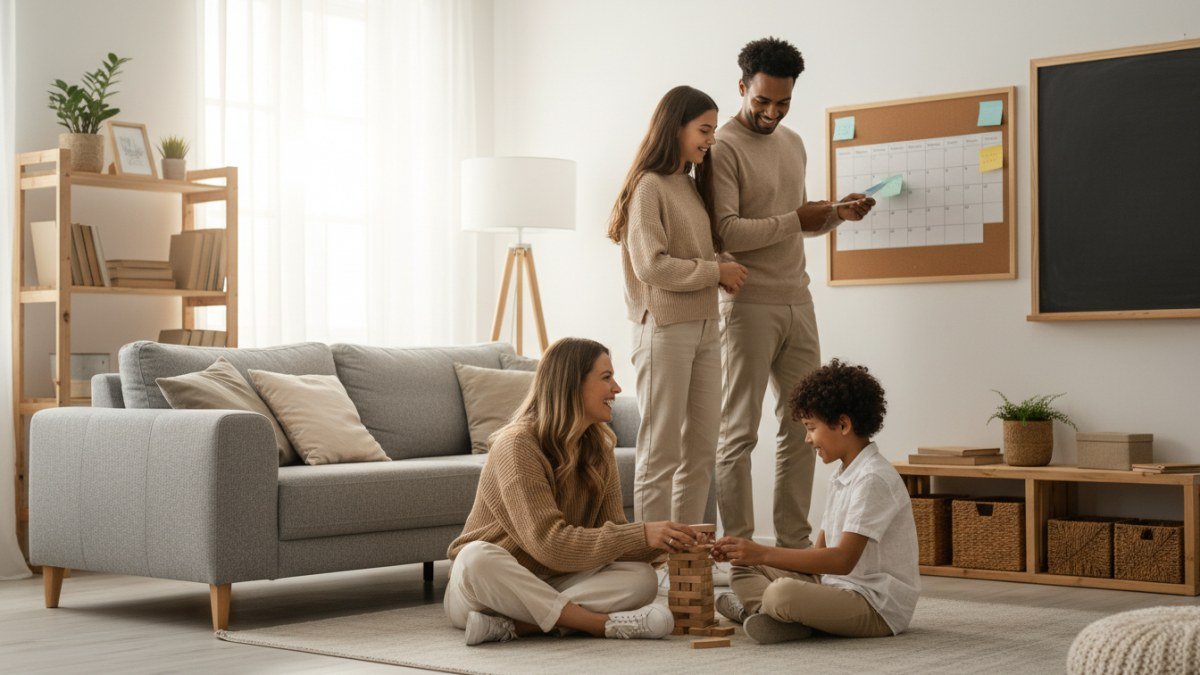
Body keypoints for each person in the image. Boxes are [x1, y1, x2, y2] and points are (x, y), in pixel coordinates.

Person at [711, 36, 874, 552]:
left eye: (783, 103)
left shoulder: (795, 142)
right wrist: (796, 218)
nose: (772, 113)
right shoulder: (722, 147)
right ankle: (740, 552)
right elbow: (727, 231)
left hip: (797, 300)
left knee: (808, 429)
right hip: (747, 305)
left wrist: (833, 215)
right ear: (742, 87)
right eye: (762, 101)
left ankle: (793, 552)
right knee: (739, 433)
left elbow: (794, 226)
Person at [444, 337, 701, 646]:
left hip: (553, 580)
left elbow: (614, 538)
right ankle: (598, 624)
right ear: (570, 385)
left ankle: (516, 626)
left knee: (642, 578)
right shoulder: (517, 445)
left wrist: (669, 540)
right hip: (491, 587)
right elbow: (549, 544)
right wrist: (642, 533)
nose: (617, 389)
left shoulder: (599, 448)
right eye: (606, 378)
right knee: (476, 558)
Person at [608, 85, 748, 526]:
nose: (711, 139)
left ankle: (688, 559)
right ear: (676, 127)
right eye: (704, 129)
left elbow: (693, 251)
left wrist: (722, 265)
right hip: (664, 329)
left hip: (706, 327)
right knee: (660, 449)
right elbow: (652, 266)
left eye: (712, 130)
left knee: (702, 449)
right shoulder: (648, 187)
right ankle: (650, 562)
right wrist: (714, 273)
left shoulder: (688, 185)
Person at [711, 359, 919, 644]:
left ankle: (766, 612)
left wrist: (762, 552)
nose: (808, 439)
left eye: (811, 427)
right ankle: (776, 617)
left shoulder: (873, 479)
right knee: (742, 568)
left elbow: (842, 560)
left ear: (843, 424)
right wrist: (749, 555)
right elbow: (819, 557)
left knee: (781, 593)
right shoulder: (843, 474)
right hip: (834, 586)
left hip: (873, 605)